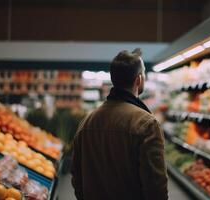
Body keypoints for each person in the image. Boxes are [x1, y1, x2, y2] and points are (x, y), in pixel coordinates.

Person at [71, 48, 168, 200]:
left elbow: (77, 178)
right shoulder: (146, 124)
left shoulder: (86, 122)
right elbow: (155, 186)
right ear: (139, 79)